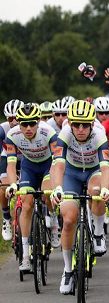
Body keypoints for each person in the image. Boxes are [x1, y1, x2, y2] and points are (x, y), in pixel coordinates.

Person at [50, 100, 109, 294]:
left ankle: (99, 232)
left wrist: (106, 188)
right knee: (68, 220)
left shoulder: (99, 135)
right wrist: (57, 188)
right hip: (71, 172)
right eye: (76, 124)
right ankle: (68, 270)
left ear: (91, 125)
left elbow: (106, 166)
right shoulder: (65, 134)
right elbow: (58, 164)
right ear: (71, 123)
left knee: (97, 192)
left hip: (93, 171)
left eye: (85, 124)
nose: (80, 128)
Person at [4, 103, 58, 271]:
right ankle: (26, 255)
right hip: (29, 167)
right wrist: (13, 183)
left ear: (38, 122)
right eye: (24, 124)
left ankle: (54, 220)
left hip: (48, 165)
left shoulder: (48, 132)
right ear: (19, 124)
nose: (28, 128)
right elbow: (11, 164)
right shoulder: (12, 136)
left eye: (32, 123)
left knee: (46, 192)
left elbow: (57, 160)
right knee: (26, 204)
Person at [1, 99, 22, 241]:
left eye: (17, 118)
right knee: (3, 186)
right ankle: (6, 217)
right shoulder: (3, 129)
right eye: (10, 118)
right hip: (7, 157)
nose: (14, 121)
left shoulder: (30, 125)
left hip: (27, 157)